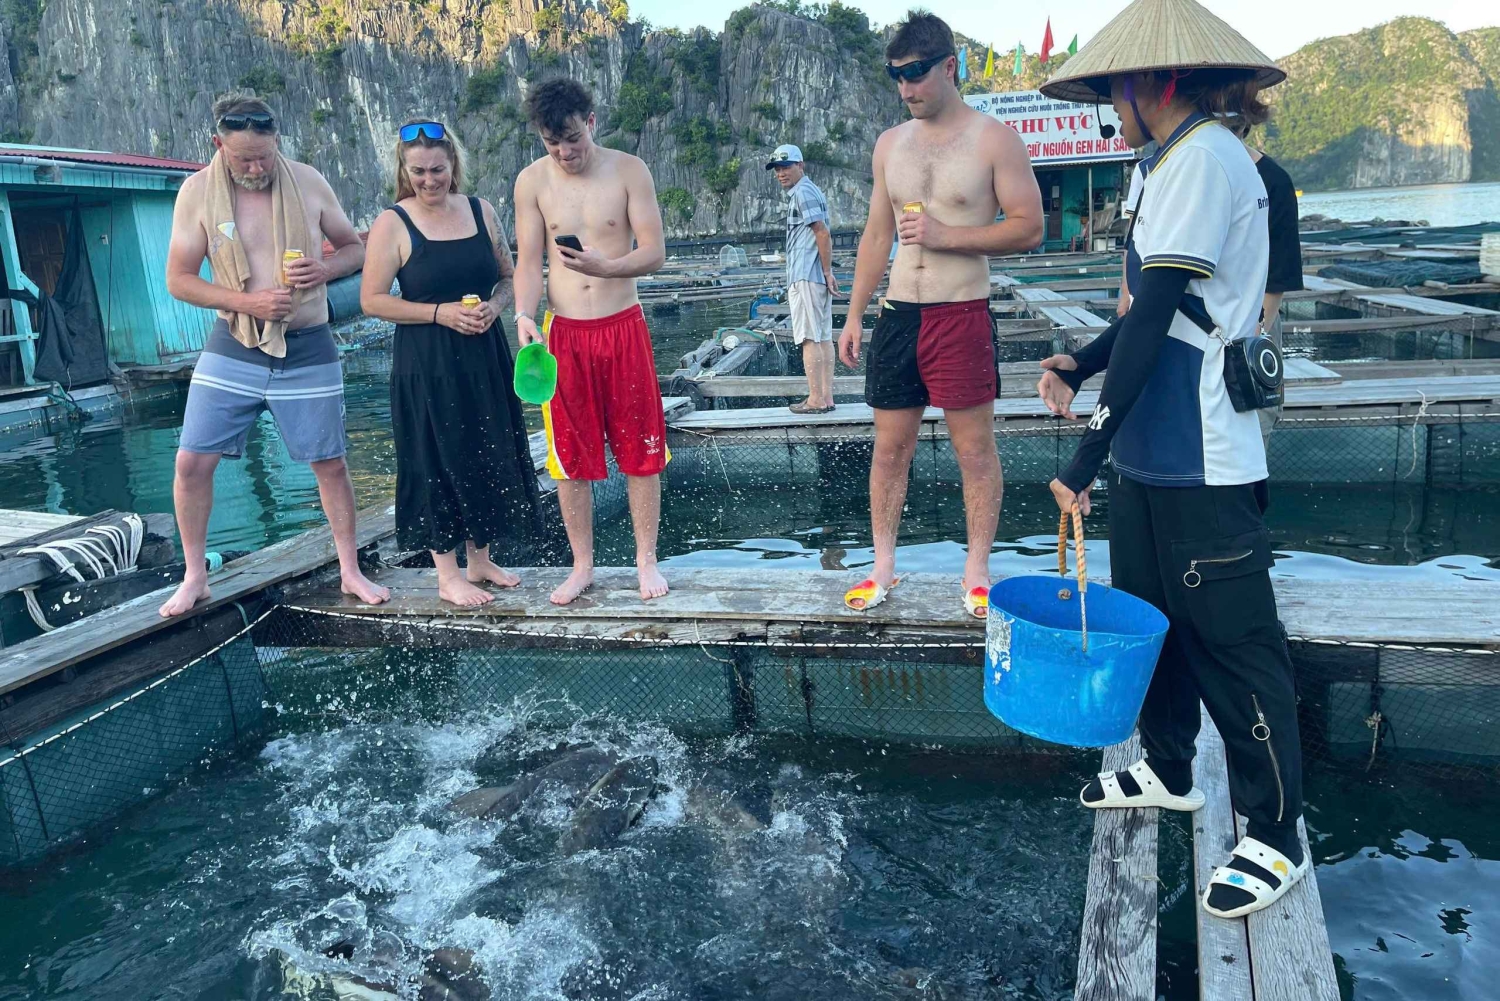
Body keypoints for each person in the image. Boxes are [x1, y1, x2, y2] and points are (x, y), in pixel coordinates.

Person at [1036, 0, 1305, 920]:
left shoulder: (1204, 159)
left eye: (1115, 86)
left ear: (1152, 81)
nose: (1111, 104)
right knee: (1153, 619)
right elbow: (1153, 310)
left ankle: (1277, 832)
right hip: (1153, 450)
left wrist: (1085, 451)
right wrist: (1081, 361)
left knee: (1234, 643)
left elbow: (1157, 317)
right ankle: (1169, 766)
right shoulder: (1162, 164)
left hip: (1204, 453)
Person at [837, 11, 1043, 619]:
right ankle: (882, 565)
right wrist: (853, 315)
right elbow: (877, 235)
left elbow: (1029, 227)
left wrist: (946, 235)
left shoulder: (994, 139)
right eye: (896, 76)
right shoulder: (889, 145)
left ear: (949, 67)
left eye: (916, 73)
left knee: (974, 451)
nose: (906, 88)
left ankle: (976, 570)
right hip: (899, 314)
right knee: (888, 450)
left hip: (961, 312)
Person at [161, 93, 389, 617]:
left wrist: (325, 269)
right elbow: (179, 279)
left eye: (264, 156)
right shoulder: (196, 193)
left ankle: (350, 569)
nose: (257, 168)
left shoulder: (307, 181)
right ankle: (195, 576)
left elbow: (355, 248)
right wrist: (248, 302)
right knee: (191, 462)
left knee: (330, 463)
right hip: (234, 342)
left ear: (277, 142)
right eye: (244, 159)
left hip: (307, 344)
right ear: (218, 144)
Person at [359, 120, 542, 607]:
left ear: (453, 164)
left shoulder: (481, 211)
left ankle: (480, 560)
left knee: (485, 449)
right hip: (426, 361)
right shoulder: (392, 223)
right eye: (417, 171)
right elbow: (372, 300)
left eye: (437, 169)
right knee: (435, 457)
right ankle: (447, 574)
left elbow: (509, 276)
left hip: (484, 353)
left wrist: (496, 307)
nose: (428, 180)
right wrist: (440, 313)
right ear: (403, 170)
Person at [512, 78, 670, 605]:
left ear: (592, 122)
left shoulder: (629, 170)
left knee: (642, 447)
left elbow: (654, 251)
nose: (565, 152)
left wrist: (608, 266)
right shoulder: (531, 182)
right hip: (564, 333)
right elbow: (528, 262)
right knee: (568, 454)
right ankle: (582, 565)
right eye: (552, 142)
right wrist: (523, 315)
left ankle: (646, 559)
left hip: (622, 324)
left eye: (573, 138)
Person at [767, 143, 840, 414]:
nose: (781, 173)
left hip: (806, 275)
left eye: (786, 167)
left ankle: (816, 399)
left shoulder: (802, 193)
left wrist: (827, 271)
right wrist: (826, 272)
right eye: (777, 169)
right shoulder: (811, 190)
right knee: (822, 337)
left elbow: (822, 232)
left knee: (809, 338)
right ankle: (826, 398)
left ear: (800, 165)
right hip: (814, 275)